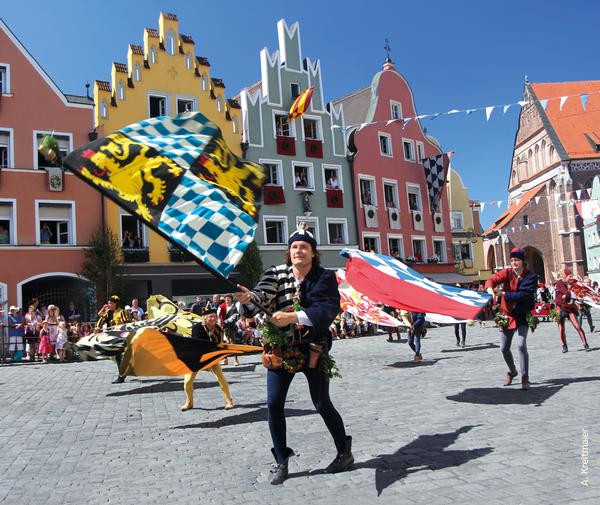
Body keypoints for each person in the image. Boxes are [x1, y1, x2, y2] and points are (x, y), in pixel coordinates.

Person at [236, 227, 353, 485]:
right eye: (294, 247)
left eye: (303, 247)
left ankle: (344, 451)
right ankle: (281, 459)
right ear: (289, 252)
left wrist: (291, 316)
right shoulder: (275, 273)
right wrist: (246, 300)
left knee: (322, 403)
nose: (298, 250)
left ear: (313, 253)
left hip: (314, 347)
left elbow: (327, 308)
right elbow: (258, 299)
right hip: (281, 348)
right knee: (274, 403)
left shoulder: (324, 277)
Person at [485, 247, 537, 390]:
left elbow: (523, 295)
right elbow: (492, 279)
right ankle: (512, 370)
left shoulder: (531, 277)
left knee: (521, 345)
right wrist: (490, 289)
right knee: (503, 348)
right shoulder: (507, 272)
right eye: (512, 260)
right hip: (506, 315)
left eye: (517, 260)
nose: (514, 263)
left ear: (522, 261)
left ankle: (525, 377)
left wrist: (503, 294)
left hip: (522, 315)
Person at [181, 307, 234, 411]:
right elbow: (199, 343)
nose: (213, 318)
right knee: (187, 382)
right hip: (196, 358)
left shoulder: (218, 329)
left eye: (215, 316)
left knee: (221, 378)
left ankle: (229, 401)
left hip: (211, 358)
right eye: (211, 316)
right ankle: (189, 402)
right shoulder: (197, 327)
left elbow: (219, 344)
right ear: (205, 318)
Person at [96, 295, 132, 383]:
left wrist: (117, 328)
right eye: (108, 303)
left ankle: (122, 375)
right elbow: (101, 316)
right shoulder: (110, 312)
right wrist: (97, 327)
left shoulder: (121, 312)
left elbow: (126, 324)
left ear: (115, 303)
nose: (109, 304)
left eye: (110, 303)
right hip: (115, 337)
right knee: (117, 356)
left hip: (121, 337)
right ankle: (123, 374)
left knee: (118, 356)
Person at [554, 269, 589, 353]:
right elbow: (567, 293)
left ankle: (585, 344)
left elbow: (575, 293)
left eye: (571, 276)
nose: (571, 277)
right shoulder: (559, 283)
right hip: (560, 308)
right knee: (561, 329)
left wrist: (578, 297)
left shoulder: (572, 284)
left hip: (569, 307)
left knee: (577, 326)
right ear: (565, 276)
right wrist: (568, 294)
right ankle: (564, 346)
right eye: (569, 276)